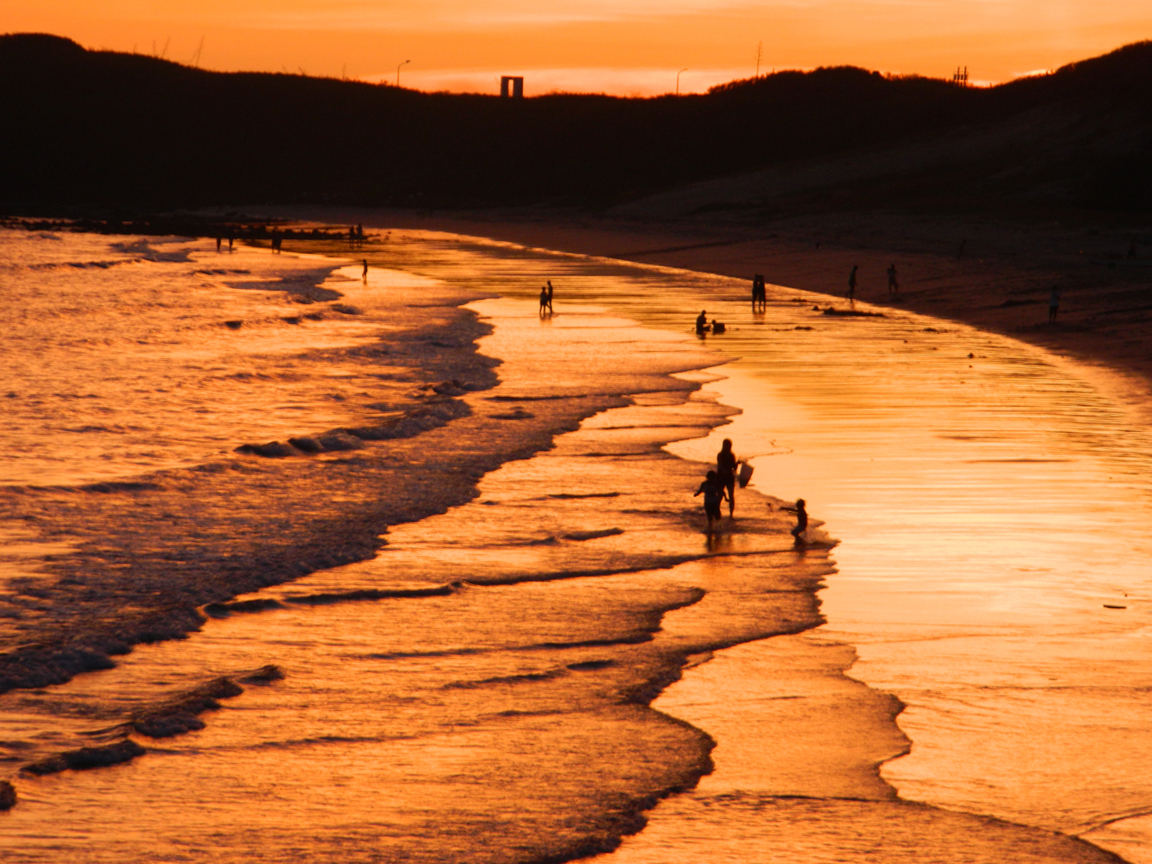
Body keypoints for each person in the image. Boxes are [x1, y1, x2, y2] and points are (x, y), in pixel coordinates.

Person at [716, 438, 738, 517]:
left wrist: (737, 463)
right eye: (727, 445)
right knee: (720, 495)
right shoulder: (720, 455)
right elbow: (720, 465)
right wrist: (725, 470)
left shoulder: (732, 455)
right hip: (721, 477)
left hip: (728, 477)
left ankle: (731, 514)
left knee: (731, 496)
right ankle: (717, 512)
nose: (728, 447)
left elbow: (734, 468)